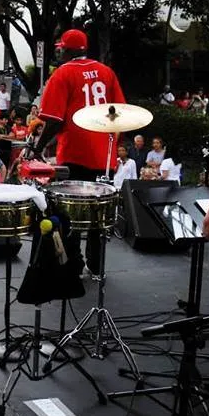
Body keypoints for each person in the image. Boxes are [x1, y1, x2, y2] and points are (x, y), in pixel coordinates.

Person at [28, 29, 125, 275]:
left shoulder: (63, 74)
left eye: (61, 48)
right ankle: (97, 267)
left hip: (75, 153)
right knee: (98, 213)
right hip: (104, 156)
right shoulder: (107, 72)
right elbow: (120, 113)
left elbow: (55, 120)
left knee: (71, 213)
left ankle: (74, 266)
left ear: (70, 50)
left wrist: (37, 148)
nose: (59, 51)